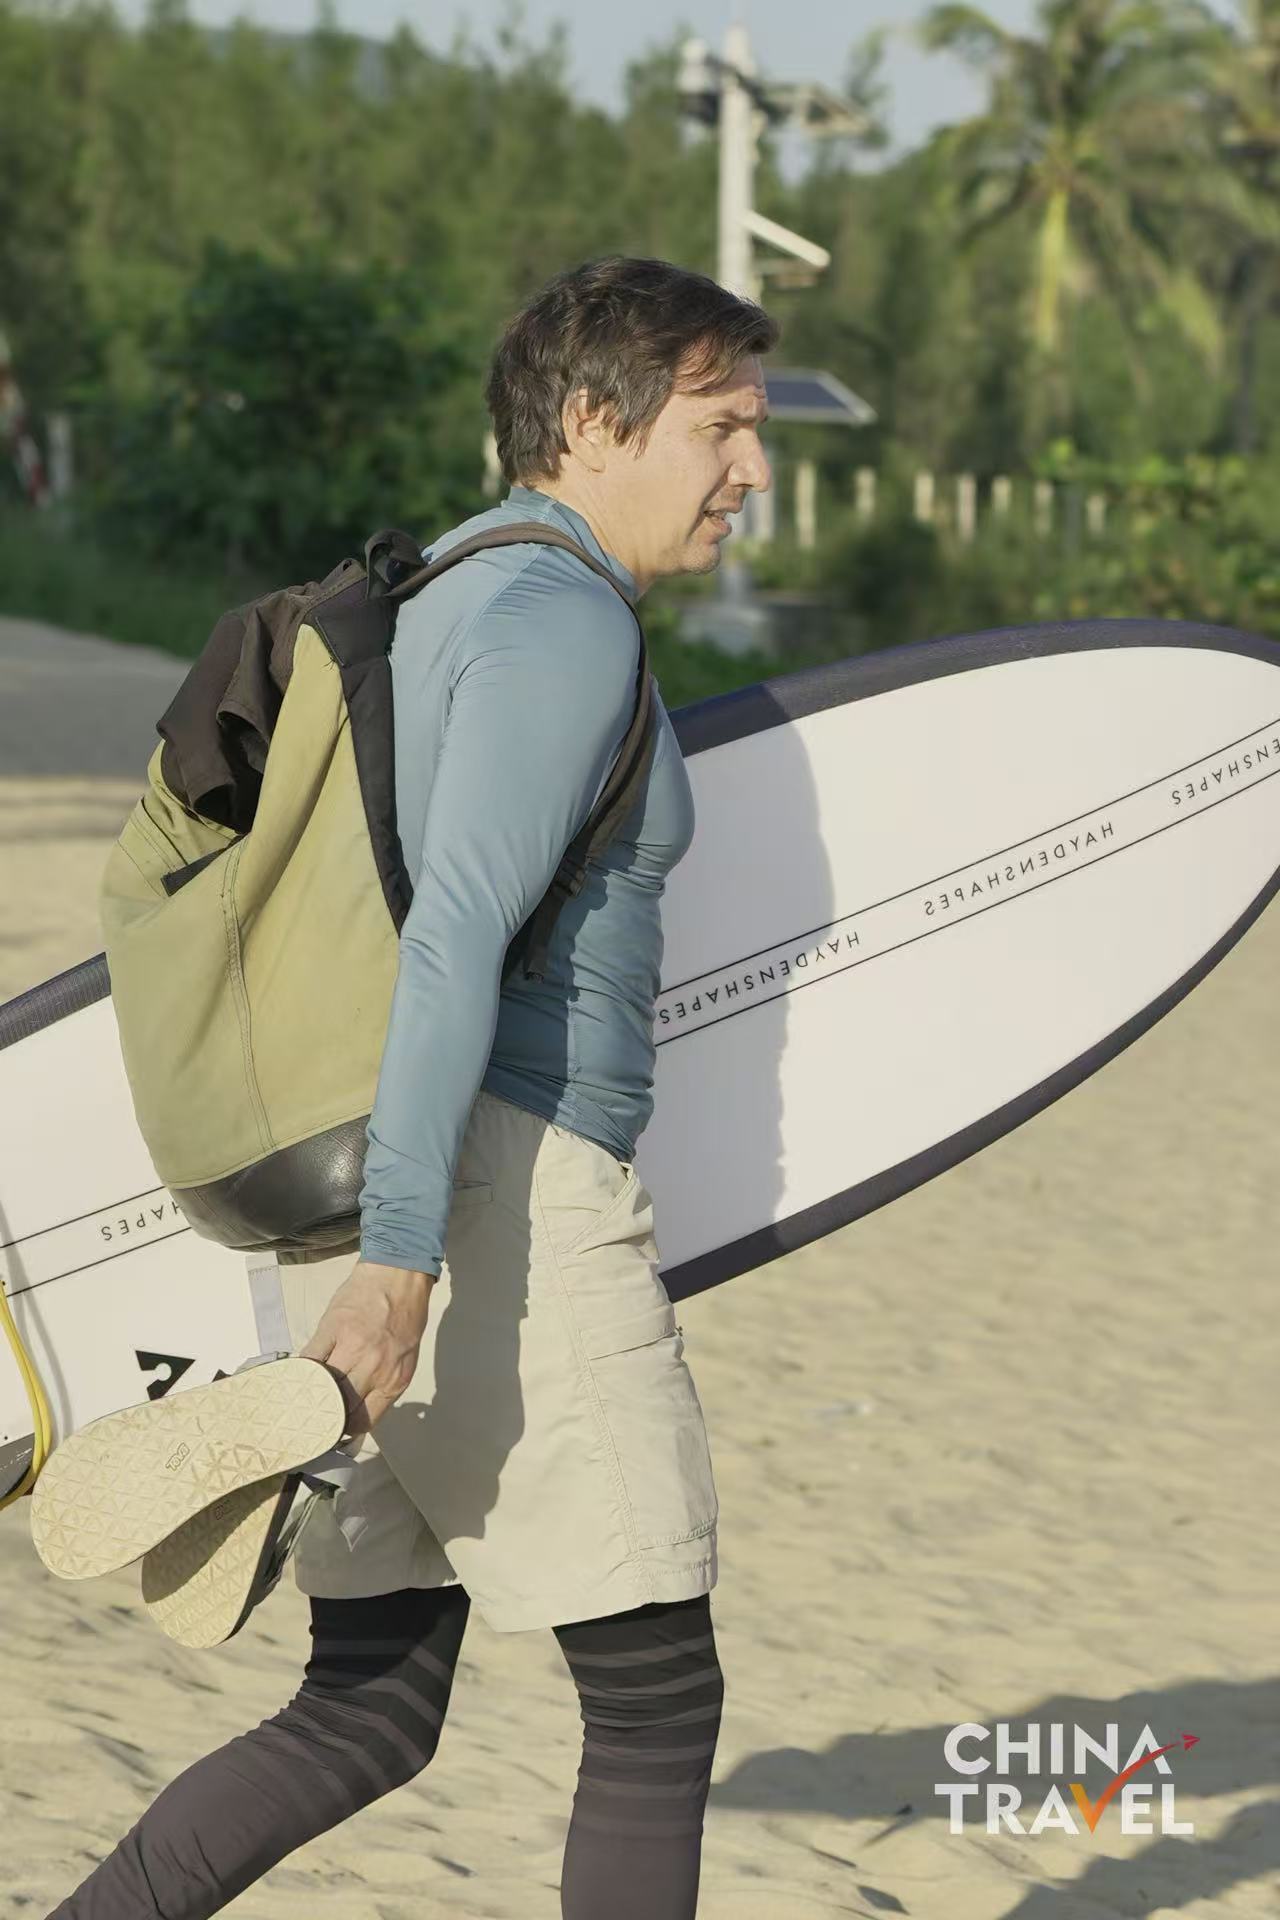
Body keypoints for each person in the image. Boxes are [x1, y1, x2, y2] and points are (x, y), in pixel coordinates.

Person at [51, 253, 778, 1920]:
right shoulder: (563, 621)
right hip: (494, 1198)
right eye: (721, 427)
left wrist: (380, 1246)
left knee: (367, 1708)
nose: (752, 468)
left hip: (386, 1170)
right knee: (657, 1700)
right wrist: (399, 1270)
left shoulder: (448, 581)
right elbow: (454, 934)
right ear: (593, 422)